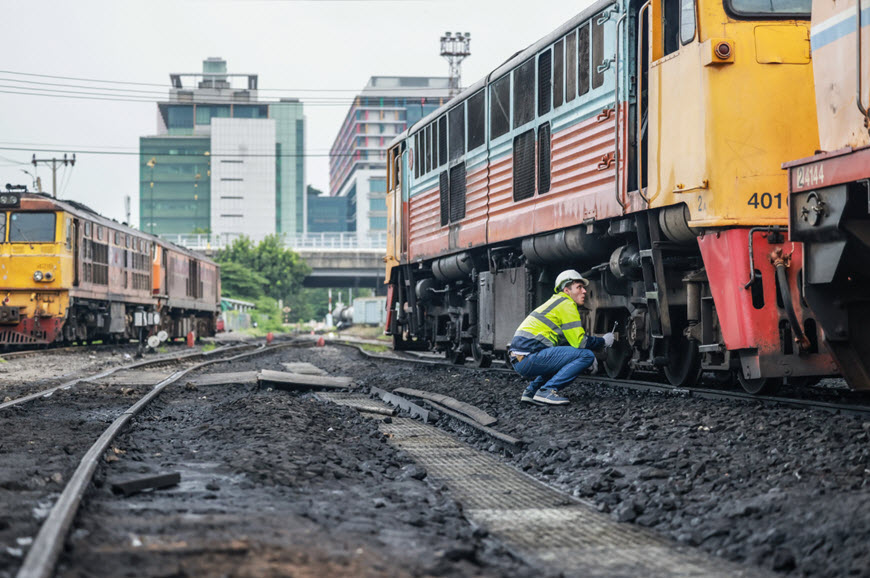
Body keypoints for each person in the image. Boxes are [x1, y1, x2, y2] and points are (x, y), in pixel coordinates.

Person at [508, 269, 614, 406]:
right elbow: (580, 343)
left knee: (564, 358)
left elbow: (566, 347)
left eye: (584, 288)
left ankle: (531, 392)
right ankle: (547, 391)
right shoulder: (567, 304)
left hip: (520, 359)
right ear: (566, 290)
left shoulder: (556, 302)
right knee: (586, 355)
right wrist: (603, 341)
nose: (584, 291)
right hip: (529, 358)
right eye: (579, 287)